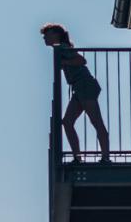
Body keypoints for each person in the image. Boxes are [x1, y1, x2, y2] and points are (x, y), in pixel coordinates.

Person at [40, 23, 110, 163]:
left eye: (47, 35)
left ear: (56, 34)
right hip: (79, 87)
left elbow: (81, 60)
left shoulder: (63, 48)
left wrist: (64, 62)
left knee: (96, 121)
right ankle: (78, 157)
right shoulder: (59, 49)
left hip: (84, 85)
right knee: (67, 122)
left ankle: (105, 157)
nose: (44, 38)